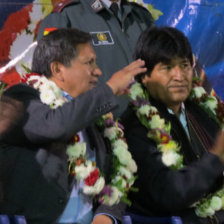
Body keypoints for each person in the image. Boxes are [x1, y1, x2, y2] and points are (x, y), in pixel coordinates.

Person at [0, 28, 146, 224]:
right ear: (58, 69)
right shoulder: (21, 97)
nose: (98, 71)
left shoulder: (94, 116)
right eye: (89, 62)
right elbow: (56, 126)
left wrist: (106, 215)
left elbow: (119, 176)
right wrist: (110, 88)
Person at [121, 26, 224, 224]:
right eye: (167, 68)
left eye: (184, 65)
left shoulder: (199, 109)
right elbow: (170, 194)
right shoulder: (136, 126)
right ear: (144, 76)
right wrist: (216, 157)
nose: (179, 76)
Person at [37, 0, 154, 116]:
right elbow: (52, 87)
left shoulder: (142, 17)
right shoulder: (66, 16)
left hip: (155, 127)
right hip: (102, 127)